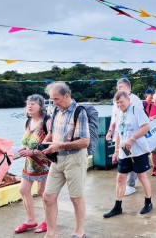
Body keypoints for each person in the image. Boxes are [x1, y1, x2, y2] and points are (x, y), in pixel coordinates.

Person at [41, 82, 90, 238]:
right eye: (52, 99)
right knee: (48, 196)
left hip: (75, 159)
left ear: (67, 96)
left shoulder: (79, 112)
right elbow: (51, 134)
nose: (53, 102)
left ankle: (79, 232)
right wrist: (41, 147)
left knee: (76, 197)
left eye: (56, 99)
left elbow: (85, 142)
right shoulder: (56, 110)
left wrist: (60, 145)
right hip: (57, 160)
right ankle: (51, 233)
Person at [103, 91, 153, 218]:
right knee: (120, 178)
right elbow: (119, 134)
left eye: (122, 102)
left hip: (138, 149)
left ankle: (148, 202)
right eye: (117, 103)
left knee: (141, 176)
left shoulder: (137, 111)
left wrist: (133, 138)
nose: (120, 105)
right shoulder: (119, 114)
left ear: (128, 100)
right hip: (125, 150)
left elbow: (147, 127)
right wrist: (116, 151)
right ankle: (117, 206)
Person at [14, 94, 51, 234]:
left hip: (44, 162)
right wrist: (22, 150)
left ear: (41, 106)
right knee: (23, 190)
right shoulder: (28, 122)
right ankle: (30, 220)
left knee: (43, 193)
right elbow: (26, 141)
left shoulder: (47, 121)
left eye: (33, 104)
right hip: (29, 162)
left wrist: (33, 151)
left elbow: (49, 142)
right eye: (28, 103)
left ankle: (48, 221)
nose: (29, 106)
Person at [105, 78, 143, 196]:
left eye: (120, 87)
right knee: (125, 159)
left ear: (128, 88)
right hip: (120, 134)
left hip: (131, 136)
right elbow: (114, 118)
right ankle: (131, 180)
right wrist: (110, 131)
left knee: (130, 158)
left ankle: (130, 184)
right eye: (118, 87)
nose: (118, 89)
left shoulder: (135, 99)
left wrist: (133, 137)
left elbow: (139, 118)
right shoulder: (116, 100)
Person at [143, 89, 156, 176]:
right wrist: (151, 118)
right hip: (153, 130)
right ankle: (155, 167)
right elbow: (146, 118)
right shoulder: (150, 106)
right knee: (153, 150)